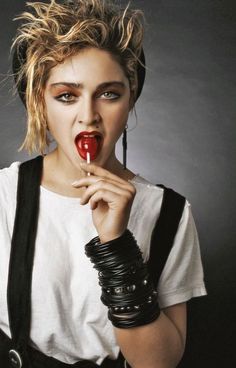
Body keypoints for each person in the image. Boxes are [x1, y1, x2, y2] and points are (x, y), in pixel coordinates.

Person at [0, 1, 207, 367]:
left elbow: (157, 363)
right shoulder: (3, 195)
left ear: (129, 101)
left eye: (109, 93)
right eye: (67, 96)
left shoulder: (169, 212)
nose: (88, 116)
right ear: (40, 104)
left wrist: (116, 245)